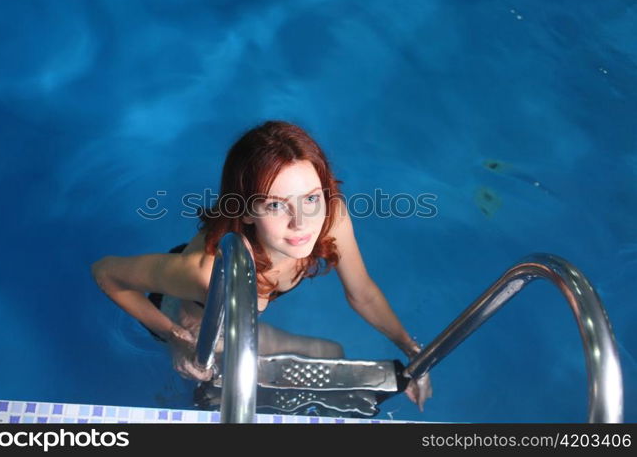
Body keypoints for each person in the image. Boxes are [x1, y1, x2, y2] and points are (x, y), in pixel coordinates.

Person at [91, 120, 432, 411]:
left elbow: (363, 294)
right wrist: (175, 338)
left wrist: (414, 352)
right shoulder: (207, 274)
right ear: (245, 211)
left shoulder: (329, 216)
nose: (302, 223)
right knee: (218, 387)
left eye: (311, 198)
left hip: (236, 303)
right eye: (275, 206)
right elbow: (105, 272)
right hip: (194, 318)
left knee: (332, 353)